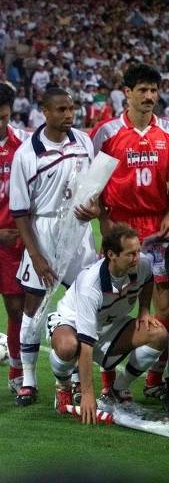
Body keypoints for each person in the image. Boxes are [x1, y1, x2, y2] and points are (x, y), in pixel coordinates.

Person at [89, 63, 169, 398]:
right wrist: (104, 224)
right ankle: (106, 381)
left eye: (154, 90)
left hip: (158, 227)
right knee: (111, 301)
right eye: (142, 90)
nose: (149, 97)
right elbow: (93, 183)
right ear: (126, 93)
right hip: (121, 225)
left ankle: (153, 378)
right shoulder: (106, 132)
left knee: (163, 304)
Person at [9, 87, 100, 406]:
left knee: (86, 304)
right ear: (44, 111)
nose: (68, 115)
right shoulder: (27, 153)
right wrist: (36, 255)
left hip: (79, 232)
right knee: (32, 309)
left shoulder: (84, 141)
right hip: (44, 232)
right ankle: (29, 380)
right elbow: (20, 211)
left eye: (71, 108)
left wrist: (95, 208)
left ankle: (77, 377)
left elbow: (94, 189)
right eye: (61, 109)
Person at [46, 224, 167, 424]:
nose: (137, 258)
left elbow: (148, 280)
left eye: (138, 251)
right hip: (71, 322)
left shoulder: (141, 264)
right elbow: (86, 347)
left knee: (158, 334)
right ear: (111, 254)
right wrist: (87, 394)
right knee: (69, 347)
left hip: (110, 325)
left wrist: (144, 310)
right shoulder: (90, 285)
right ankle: (63, 385)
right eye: (131, 254)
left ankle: (117, 390)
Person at [0, 83, 28, 395]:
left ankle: (17, 370)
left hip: (11, 245)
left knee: (16, 309)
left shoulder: (22, 145)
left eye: (4, 118)